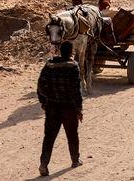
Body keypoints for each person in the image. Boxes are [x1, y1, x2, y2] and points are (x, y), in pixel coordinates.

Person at [37, 41, 82, 177]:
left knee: (49, 137)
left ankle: (44, 164)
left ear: (60, 51)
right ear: (71, 52)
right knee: (72, 135)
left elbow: (40, 86)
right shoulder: (73, 66)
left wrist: (44, 102)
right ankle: (75, 160)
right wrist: (79, 109)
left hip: (52, 107)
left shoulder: (49, 65)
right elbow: (76, 91)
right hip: (69, 107)